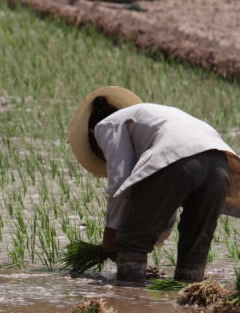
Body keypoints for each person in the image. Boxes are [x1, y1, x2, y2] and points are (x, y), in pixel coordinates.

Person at [68, 86, 240, 283]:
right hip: (219, 164)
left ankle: (129, 302)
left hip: (178, 160)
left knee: (132, 244)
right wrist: (155, 234)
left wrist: (112, 235)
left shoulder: (106, 126)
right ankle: (193, 300)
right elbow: (167, 198)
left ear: (94, 138)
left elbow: (120, 181)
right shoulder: (151, 120)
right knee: (194, 252)